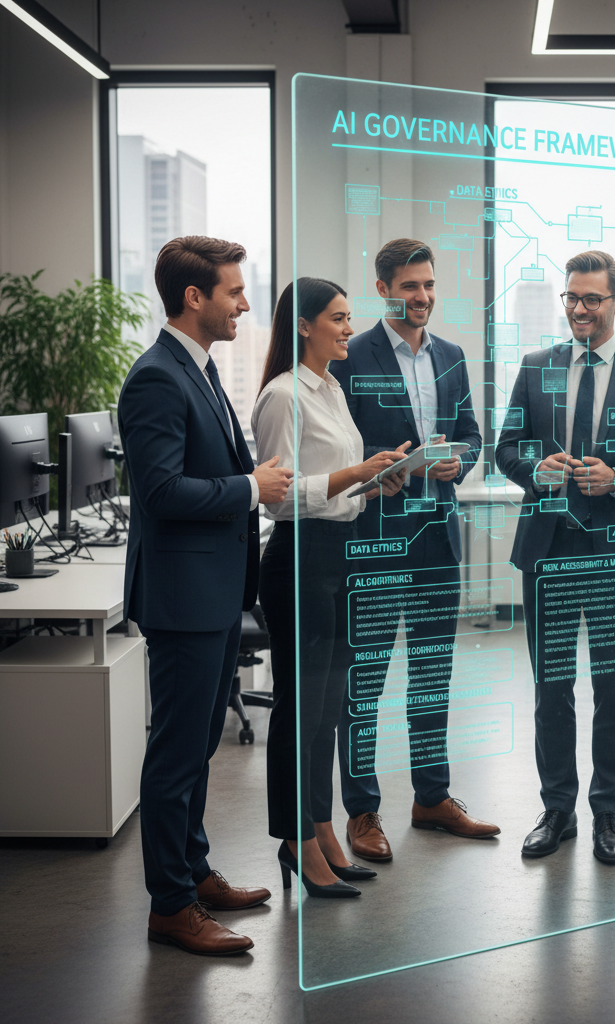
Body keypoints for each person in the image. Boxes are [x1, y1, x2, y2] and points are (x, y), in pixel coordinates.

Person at [118, 235, 293, 956]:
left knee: (197, 753)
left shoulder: (202, 368)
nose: (245, 303)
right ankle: (170, 906)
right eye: (234, 292)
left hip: (216, 593)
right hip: (185, 598)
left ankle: (193, 872)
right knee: (176, 755)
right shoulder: (157, 376)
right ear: (195, 297)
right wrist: (252, 487)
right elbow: (158, 491)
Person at [495, 249, 615, 864]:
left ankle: (608, 814)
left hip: (613, 555)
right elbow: (506, 451)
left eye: (591, 299)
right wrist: (536, 469)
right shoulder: (534, 365)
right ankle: (557, 810)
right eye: (571, 298)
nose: (578, 309)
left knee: (613, 689)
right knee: (551, 689)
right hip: (548, 547)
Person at [329, 238, 497, 861]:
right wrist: (374, 471)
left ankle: (432, 798)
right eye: (410, 287)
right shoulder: (350, 356)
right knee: (365, 680)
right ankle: (363, 809)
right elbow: (333, 450)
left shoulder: (451, 355)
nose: (423, 297)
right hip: (372, 541)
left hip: (436, 541)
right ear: (383, 288)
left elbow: (473, 436)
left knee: (431, 676)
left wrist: (460, 462)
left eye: (429, 285)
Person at [253, 277, 408, 897]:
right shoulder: (282, 395)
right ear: (305, 326)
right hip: (299, 561)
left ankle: (320, 829)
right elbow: (280, 497)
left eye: (349, 318)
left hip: (338, 555)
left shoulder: (331, 388)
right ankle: (297, 842)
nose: (349, 329)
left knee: (328, 715)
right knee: (300, 714)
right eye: (339, 319)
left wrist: (377, 481)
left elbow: (333, 487)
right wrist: (356, 471)